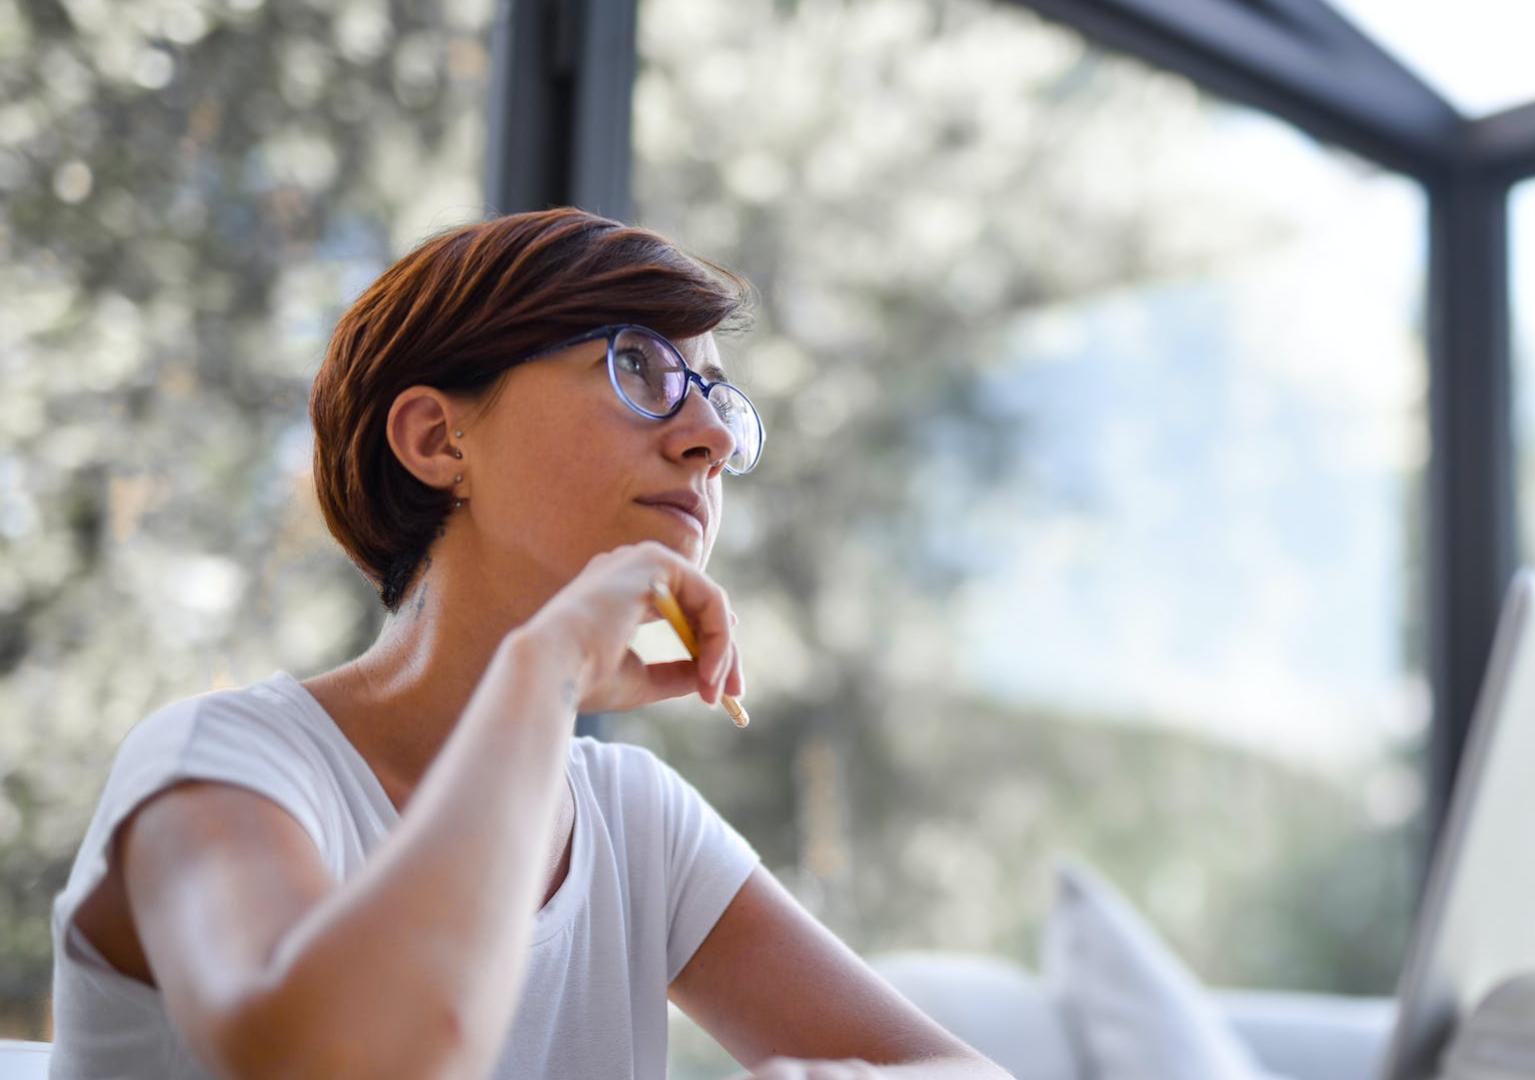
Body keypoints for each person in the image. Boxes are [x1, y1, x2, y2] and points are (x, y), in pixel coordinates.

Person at [45, 208, 1008, 1080]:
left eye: (718, 398)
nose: (711, 435)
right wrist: (542, 673)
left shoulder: (636, 823)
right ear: (437, 440)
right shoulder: (221, 768)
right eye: (641, 368)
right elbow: (346, 1060)